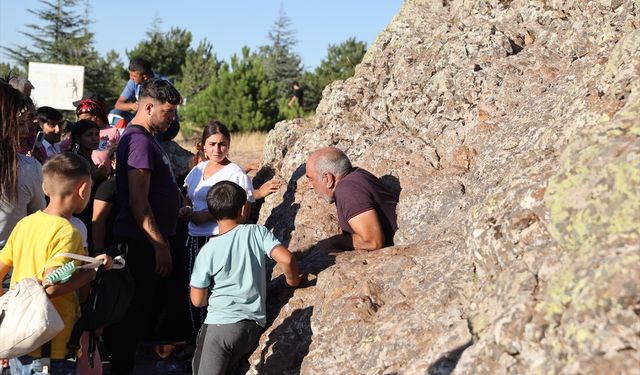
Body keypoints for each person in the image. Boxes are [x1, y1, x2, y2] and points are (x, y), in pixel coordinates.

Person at [0, 152, 112, 375]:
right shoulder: (67, 232)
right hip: (50, 348)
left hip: (21, 341)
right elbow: (51, 284)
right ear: (83, 189)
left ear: (44, 188)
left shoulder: (26, 224)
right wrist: (89, 275)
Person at [103, 78, 182, 375]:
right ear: (148, 106)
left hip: (149, 241)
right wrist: (160, 246)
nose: (172, 118)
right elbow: (139, 202)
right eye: (168, 112)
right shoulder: (137, 141)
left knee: (141, 317)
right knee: (130, 319)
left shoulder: (148, 138)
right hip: (140, 245)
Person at [190, 180, 301, 375]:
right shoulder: (257, 232)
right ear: (244, 209)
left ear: (213, 212)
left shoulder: (207, 251)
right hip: (251, 327)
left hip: (219, 327)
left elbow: (197, 300)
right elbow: (286, 259)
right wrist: (293, 282)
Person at [305, 147, 399, 251]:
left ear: (328, 178)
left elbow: (373, 242)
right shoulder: (357, 175)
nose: (309, 186)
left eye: (310, 179)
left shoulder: (347, 190)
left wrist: (332, 243)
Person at [0, 81, 46, 251]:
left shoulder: (29, 167)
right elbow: (39, 223)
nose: (26, 131)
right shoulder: (29, 168)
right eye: (20, 123)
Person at [113, 57, 180, 141]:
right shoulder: (133, 82)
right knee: (115, 113)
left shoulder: (163, 84)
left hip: (163, 122)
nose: (131, 78)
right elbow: (118, 105)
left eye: (133, 75)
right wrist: (132, 106)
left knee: (157, 122)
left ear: (144, 76)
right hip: (143, 121)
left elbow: (177, 100)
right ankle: (116, 141)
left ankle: (151, 143)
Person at [75, 97, 120, 174]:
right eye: (81, 120)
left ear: (96, 117)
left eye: (87, 119)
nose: (84, 123)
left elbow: (118, 154)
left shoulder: (113, 131)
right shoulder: (79, 133)